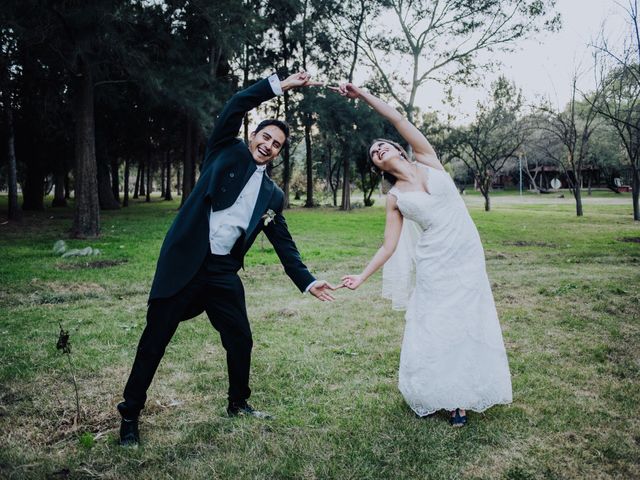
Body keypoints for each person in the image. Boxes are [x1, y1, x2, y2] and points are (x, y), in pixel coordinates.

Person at [117, 71, 336, 446]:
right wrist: (282, 86)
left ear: (279, 154)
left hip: (222, 272)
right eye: (265, 136)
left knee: (241, 339)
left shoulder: (272, 195)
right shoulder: (225, 149)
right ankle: (131, 415)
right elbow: (236, 104)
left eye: (277, 144)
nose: (269, 145)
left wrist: (308, 280)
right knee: (155, 339)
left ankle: (238, 403)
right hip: (186, 260)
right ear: (253, 137)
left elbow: (284, 244)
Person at [333, 83, 512, 427]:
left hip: (468, 254)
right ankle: (453, 399)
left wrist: (364, 96)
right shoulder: (395, 198)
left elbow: (397, 118)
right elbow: (388, 246)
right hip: (434, 263)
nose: (380, 149)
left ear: (398, 148)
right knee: (440, 325)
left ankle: (469, 384)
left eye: (383, 144)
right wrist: (361, 277)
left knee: (469, 321)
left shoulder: (428, 159)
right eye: (374, 153)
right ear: (378, 167)